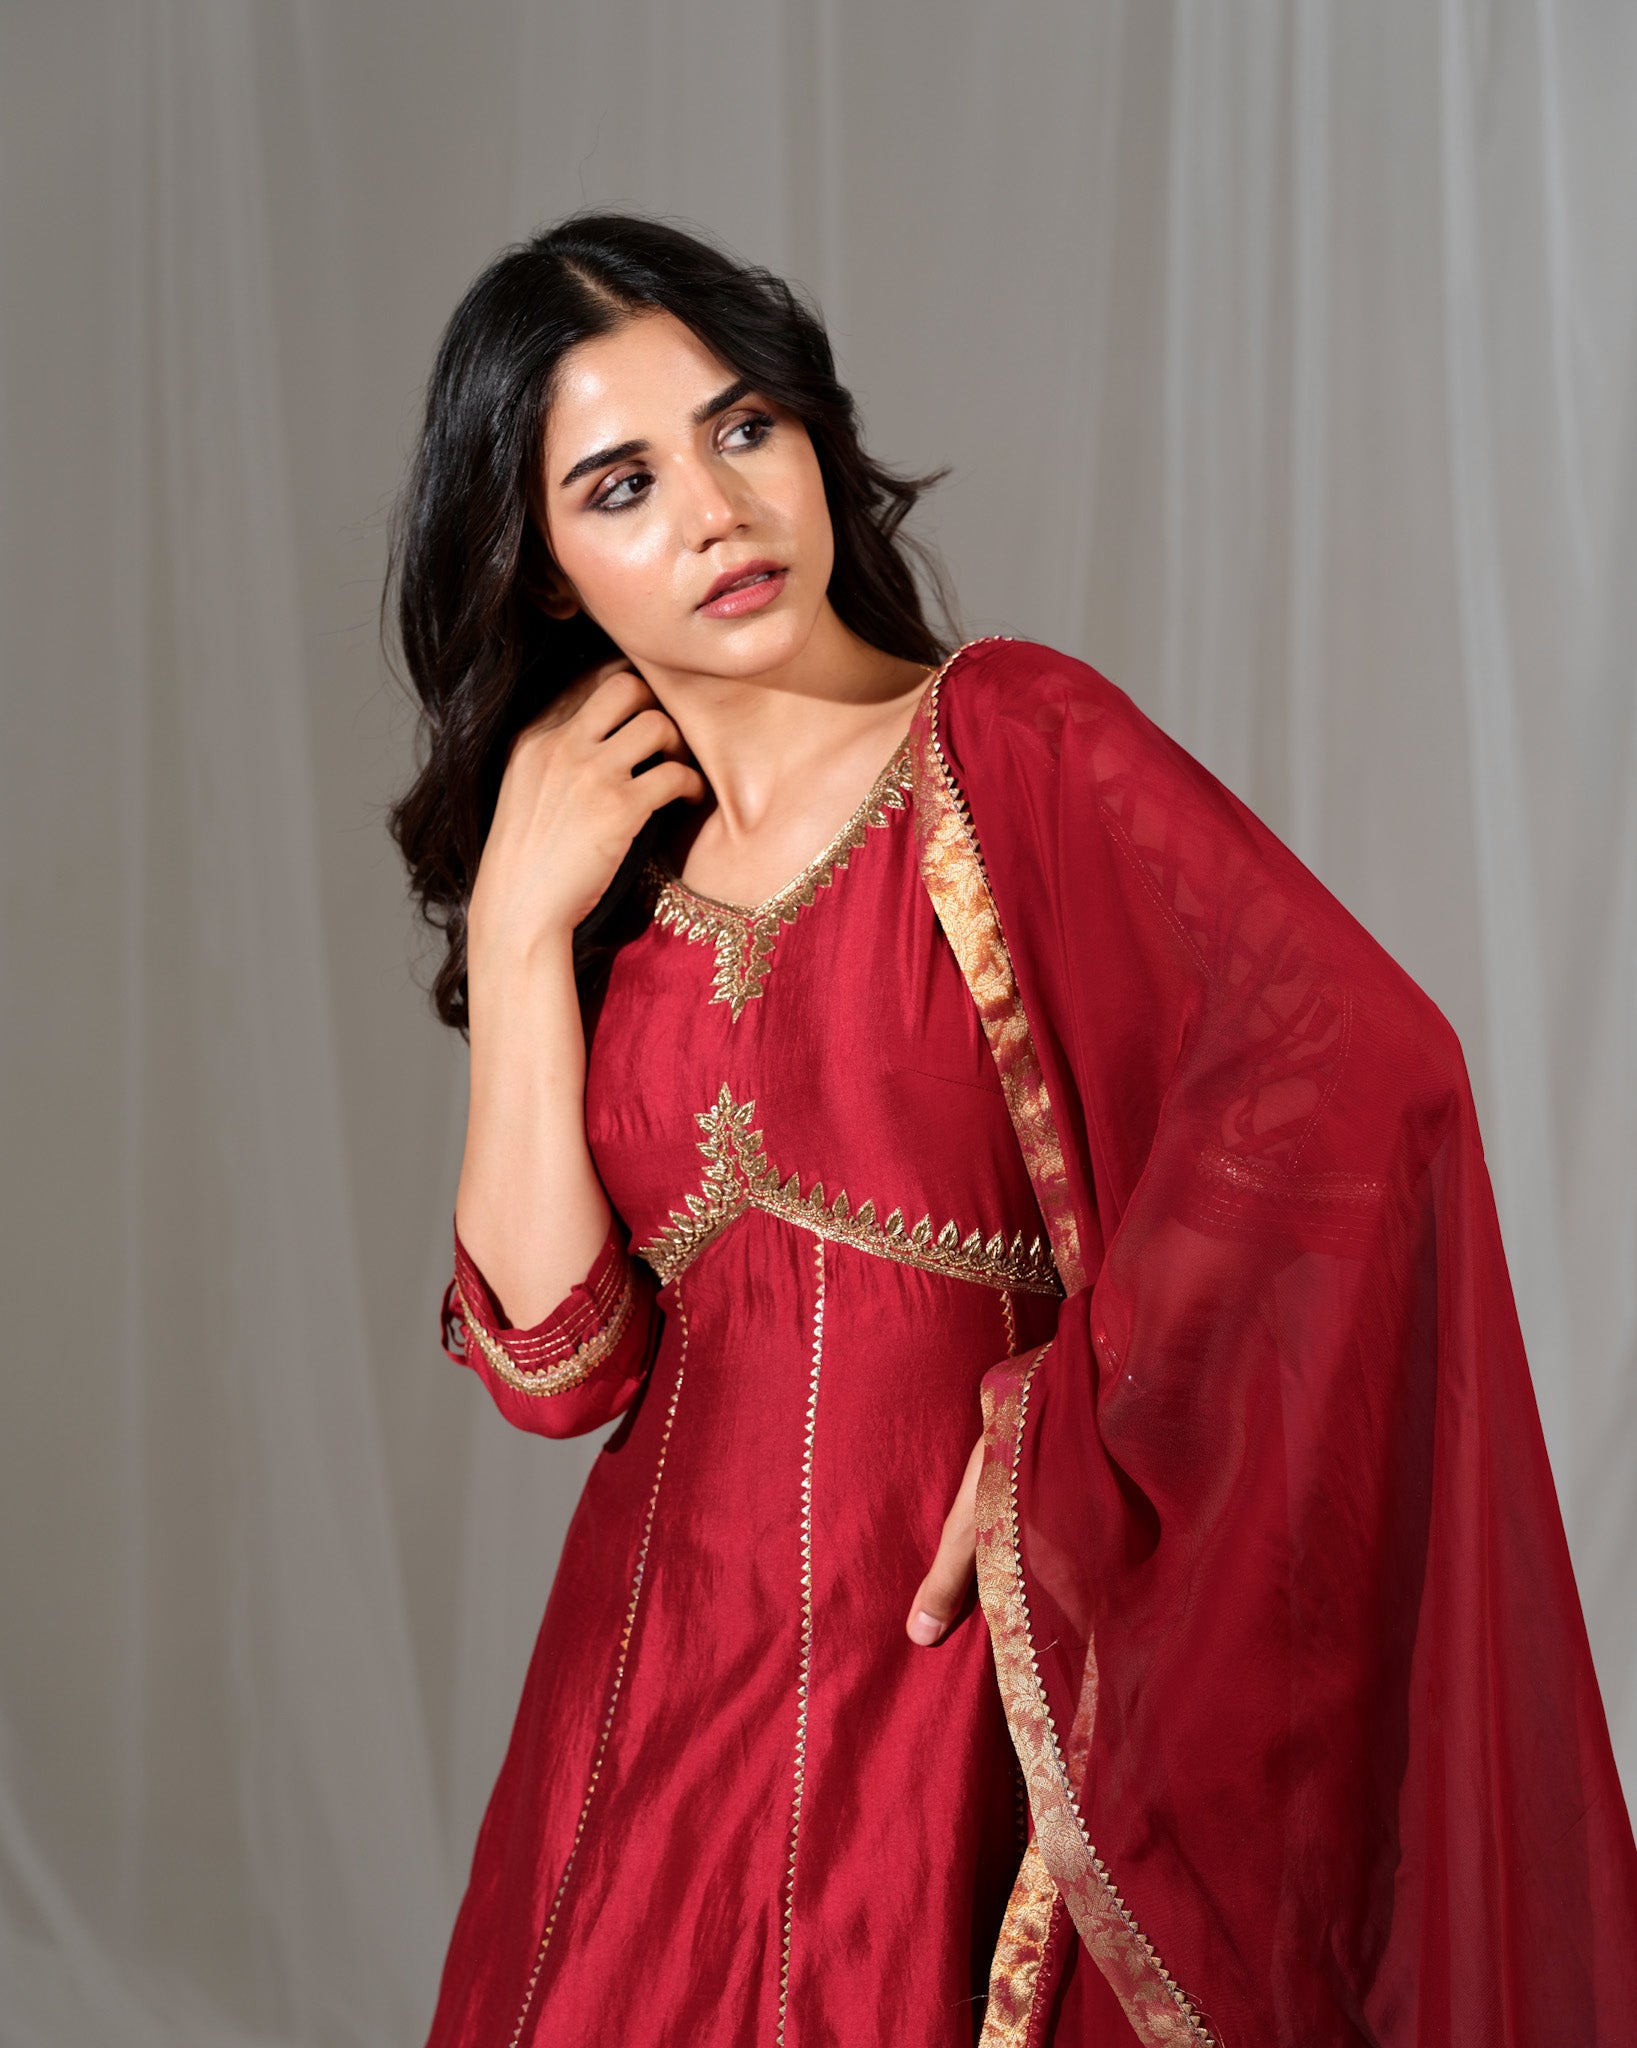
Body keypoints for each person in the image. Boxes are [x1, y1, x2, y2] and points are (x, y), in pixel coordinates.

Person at [386, 213, 1637, 2047]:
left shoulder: (1005, 745)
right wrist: (513, 932)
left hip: (965, 1697)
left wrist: (1074, 1402)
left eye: (744, 430)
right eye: (624, 482)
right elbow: (557, 1368)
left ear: (811, 437)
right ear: (551, 568)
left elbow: (1364, 1084)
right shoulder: (604, 924)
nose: (718, 511)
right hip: (649, 1728)